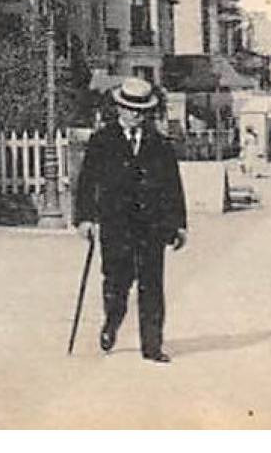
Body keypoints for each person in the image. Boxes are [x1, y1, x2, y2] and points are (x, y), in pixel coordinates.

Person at [73, 76, 188, 364]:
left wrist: (178, 224)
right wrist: (85, 218)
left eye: (141, 109)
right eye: (129, 108)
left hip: (152, 227)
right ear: (119, 108)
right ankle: (112, 322)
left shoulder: (159, 144)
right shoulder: (102, 141)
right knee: (116, 283)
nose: (135, 114)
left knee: (152, 286)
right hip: (116, 226)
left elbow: (172, 186)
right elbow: (87, 182)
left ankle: (152, 346)